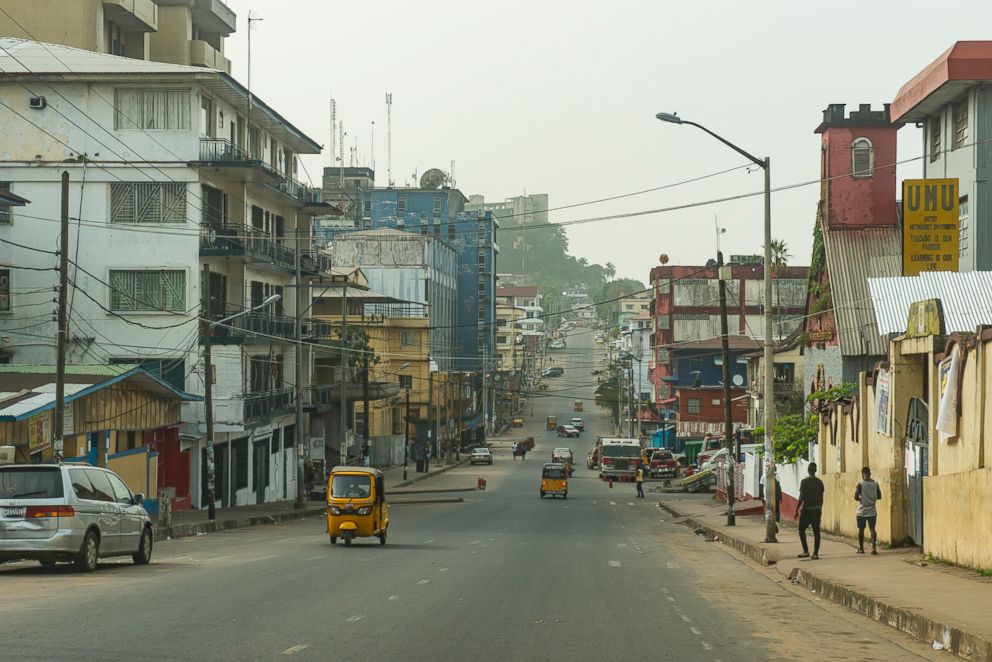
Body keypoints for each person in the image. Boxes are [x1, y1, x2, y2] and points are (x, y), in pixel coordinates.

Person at [795, 462, 825, 560]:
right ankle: (815, 553)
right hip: (816, 510)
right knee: (816, 532)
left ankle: (806, 551)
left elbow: (801, 497)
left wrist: (796, 509)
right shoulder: (820, 482)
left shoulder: (804, 482)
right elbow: (821, 498)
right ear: (815, 470)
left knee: (801, 529)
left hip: (807, 510)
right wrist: (820, 508)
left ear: (808, 470)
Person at [855, 466, 882, 555]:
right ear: (870, 473)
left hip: (861, 510)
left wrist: (861, 498)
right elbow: (879, 496)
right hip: (872, 509)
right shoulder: (875, 484)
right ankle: (873, 548)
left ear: (863, 474)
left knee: (861, 530)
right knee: (872, 529)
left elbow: (855, 497)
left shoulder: (860, 484)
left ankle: (861, 548)